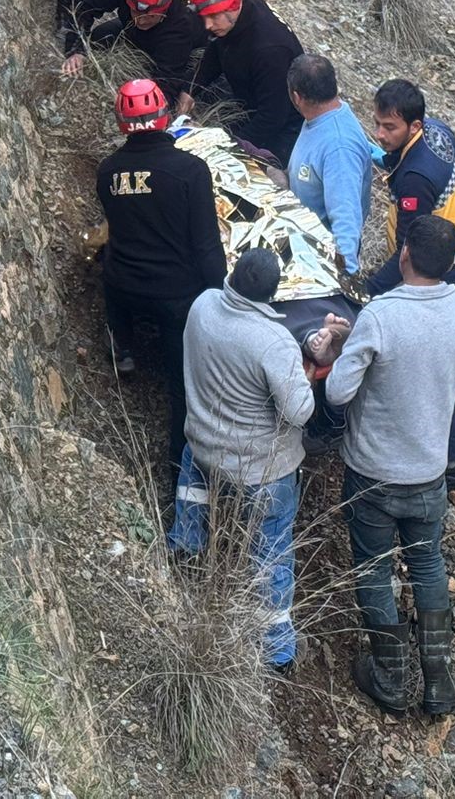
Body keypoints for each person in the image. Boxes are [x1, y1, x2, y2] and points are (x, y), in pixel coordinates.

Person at [312, 215, 455, 716]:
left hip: (374, 473)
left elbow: (339, 391)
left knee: (374, 567)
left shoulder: (382, 315)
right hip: (429, 470)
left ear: (404, 253)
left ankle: (389, 675)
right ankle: (439, 683)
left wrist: (343, 347)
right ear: (450, 263)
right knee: (428, 565)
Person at [170, 248, 314, 670]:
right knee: (271, 549)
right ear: (273, 294)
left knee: (191, 482)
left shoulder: (202, 305)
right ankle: (277, 645)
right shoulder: (272, 341)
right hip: (257, 469)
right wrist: (307, 369)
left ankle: (186, 546)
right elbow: (299, 411)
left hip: (201, 444)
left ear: (233, 274)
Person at [367, 78, 455, 499]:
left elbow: (408, 251)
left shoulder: (416, 180)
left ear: (414, 125)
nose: (380, 134)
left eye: (389, 128)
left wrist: (370, 292)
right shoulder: (437, 132)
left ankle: (454, 464)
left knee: (430, 362)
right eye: (377, 124)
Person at [95, 78, 224, 477]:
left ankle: (125, 348)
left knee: (114, 275)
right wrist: (222, 298)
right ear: (164, 117)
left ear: (121, 123)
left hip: (123, 287)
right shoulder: (190, 171)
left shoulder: (108, 172)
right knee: (182, 389)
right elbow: (205, 245)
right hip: (175, 299)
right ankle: (179, 468)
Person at [183, 0, 304, 167]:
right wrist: (190, 88)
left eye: (213, 17)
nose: (208, 25)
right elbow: (216, 50)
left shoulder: (270, 50)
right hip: (250, 97)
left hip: (284, 129)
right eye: (204, 17)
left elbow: (273, 116)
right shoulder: (241, 13)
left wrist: (231, 147)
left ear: (233, 5)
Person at [62, 0, 206, 102]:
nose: (141, 21)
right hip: (133, 32)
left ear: (163, 8)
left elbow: (167, 84)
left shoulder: (181, 23)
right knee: (99, 38)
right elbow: (85, 3)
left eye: (149, 16)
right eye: (135, 11)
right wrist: (76, 49)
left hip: (185, 48)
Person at [284, 53, 372, 271]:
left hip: (321, 257)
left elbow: (346, 218)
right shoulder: (320, 117)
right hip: (302, 236)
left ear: (297, 97)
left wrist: (347, 277)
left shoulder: (338, 148)